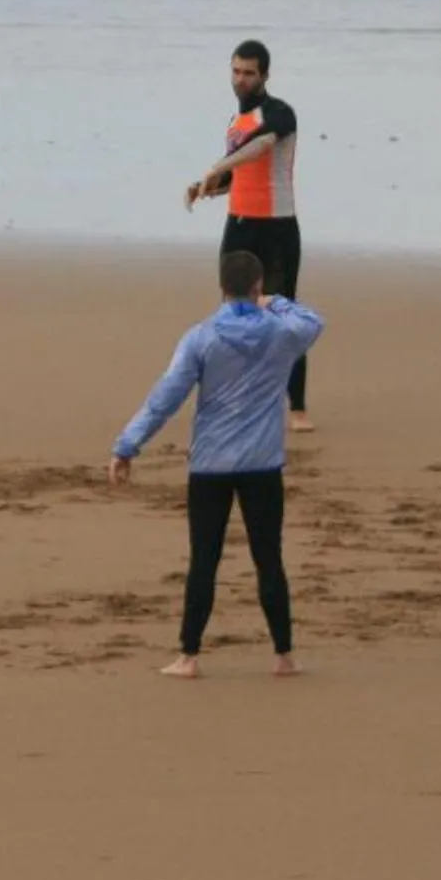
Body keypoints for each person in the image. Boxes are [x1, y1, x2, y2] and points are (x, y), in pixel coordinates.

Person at [107, 248, 324, 679]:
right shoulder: (283, 333)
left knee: (204, 560)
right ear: (258, 286)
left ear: (221, 287)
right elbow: (313, 320)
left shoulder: (201, 337)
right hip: (262, 465)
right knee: (269, 559)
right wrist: (275, 302)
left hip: (210, 465)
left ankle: (188, 656)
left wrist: (127, 445)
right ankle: (284, 656)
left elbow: (165, 397)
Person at [185, 40, 311, 428]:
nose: (241, 80)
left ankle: (297, 406)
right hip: (239, 225)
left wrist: (217, 166)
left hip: (277, 227)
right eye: (236, 71)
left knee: (282, 315)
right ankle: (236, 396)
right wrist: (206, 187)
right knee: (233, 312)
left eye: (249, 73)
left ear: (265, 75)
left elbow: (260, 146)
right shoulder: (235, 122)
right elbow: (239, 175)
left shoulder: (280, 114)